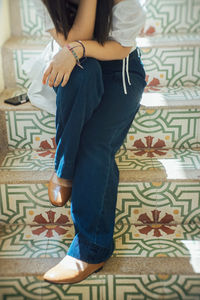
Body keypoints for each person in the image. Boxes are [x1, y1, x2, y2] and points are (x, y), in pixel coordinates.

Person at [34, 0, 147, 284]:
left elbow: (120, 47)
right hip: (75, 69)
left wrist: (78, 47)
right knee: (82, 73)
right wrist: (75, 50)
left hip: (119, 70)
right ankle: (64, 168)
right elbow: (71, 42)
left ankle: (92, 249)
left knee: (94, 144)